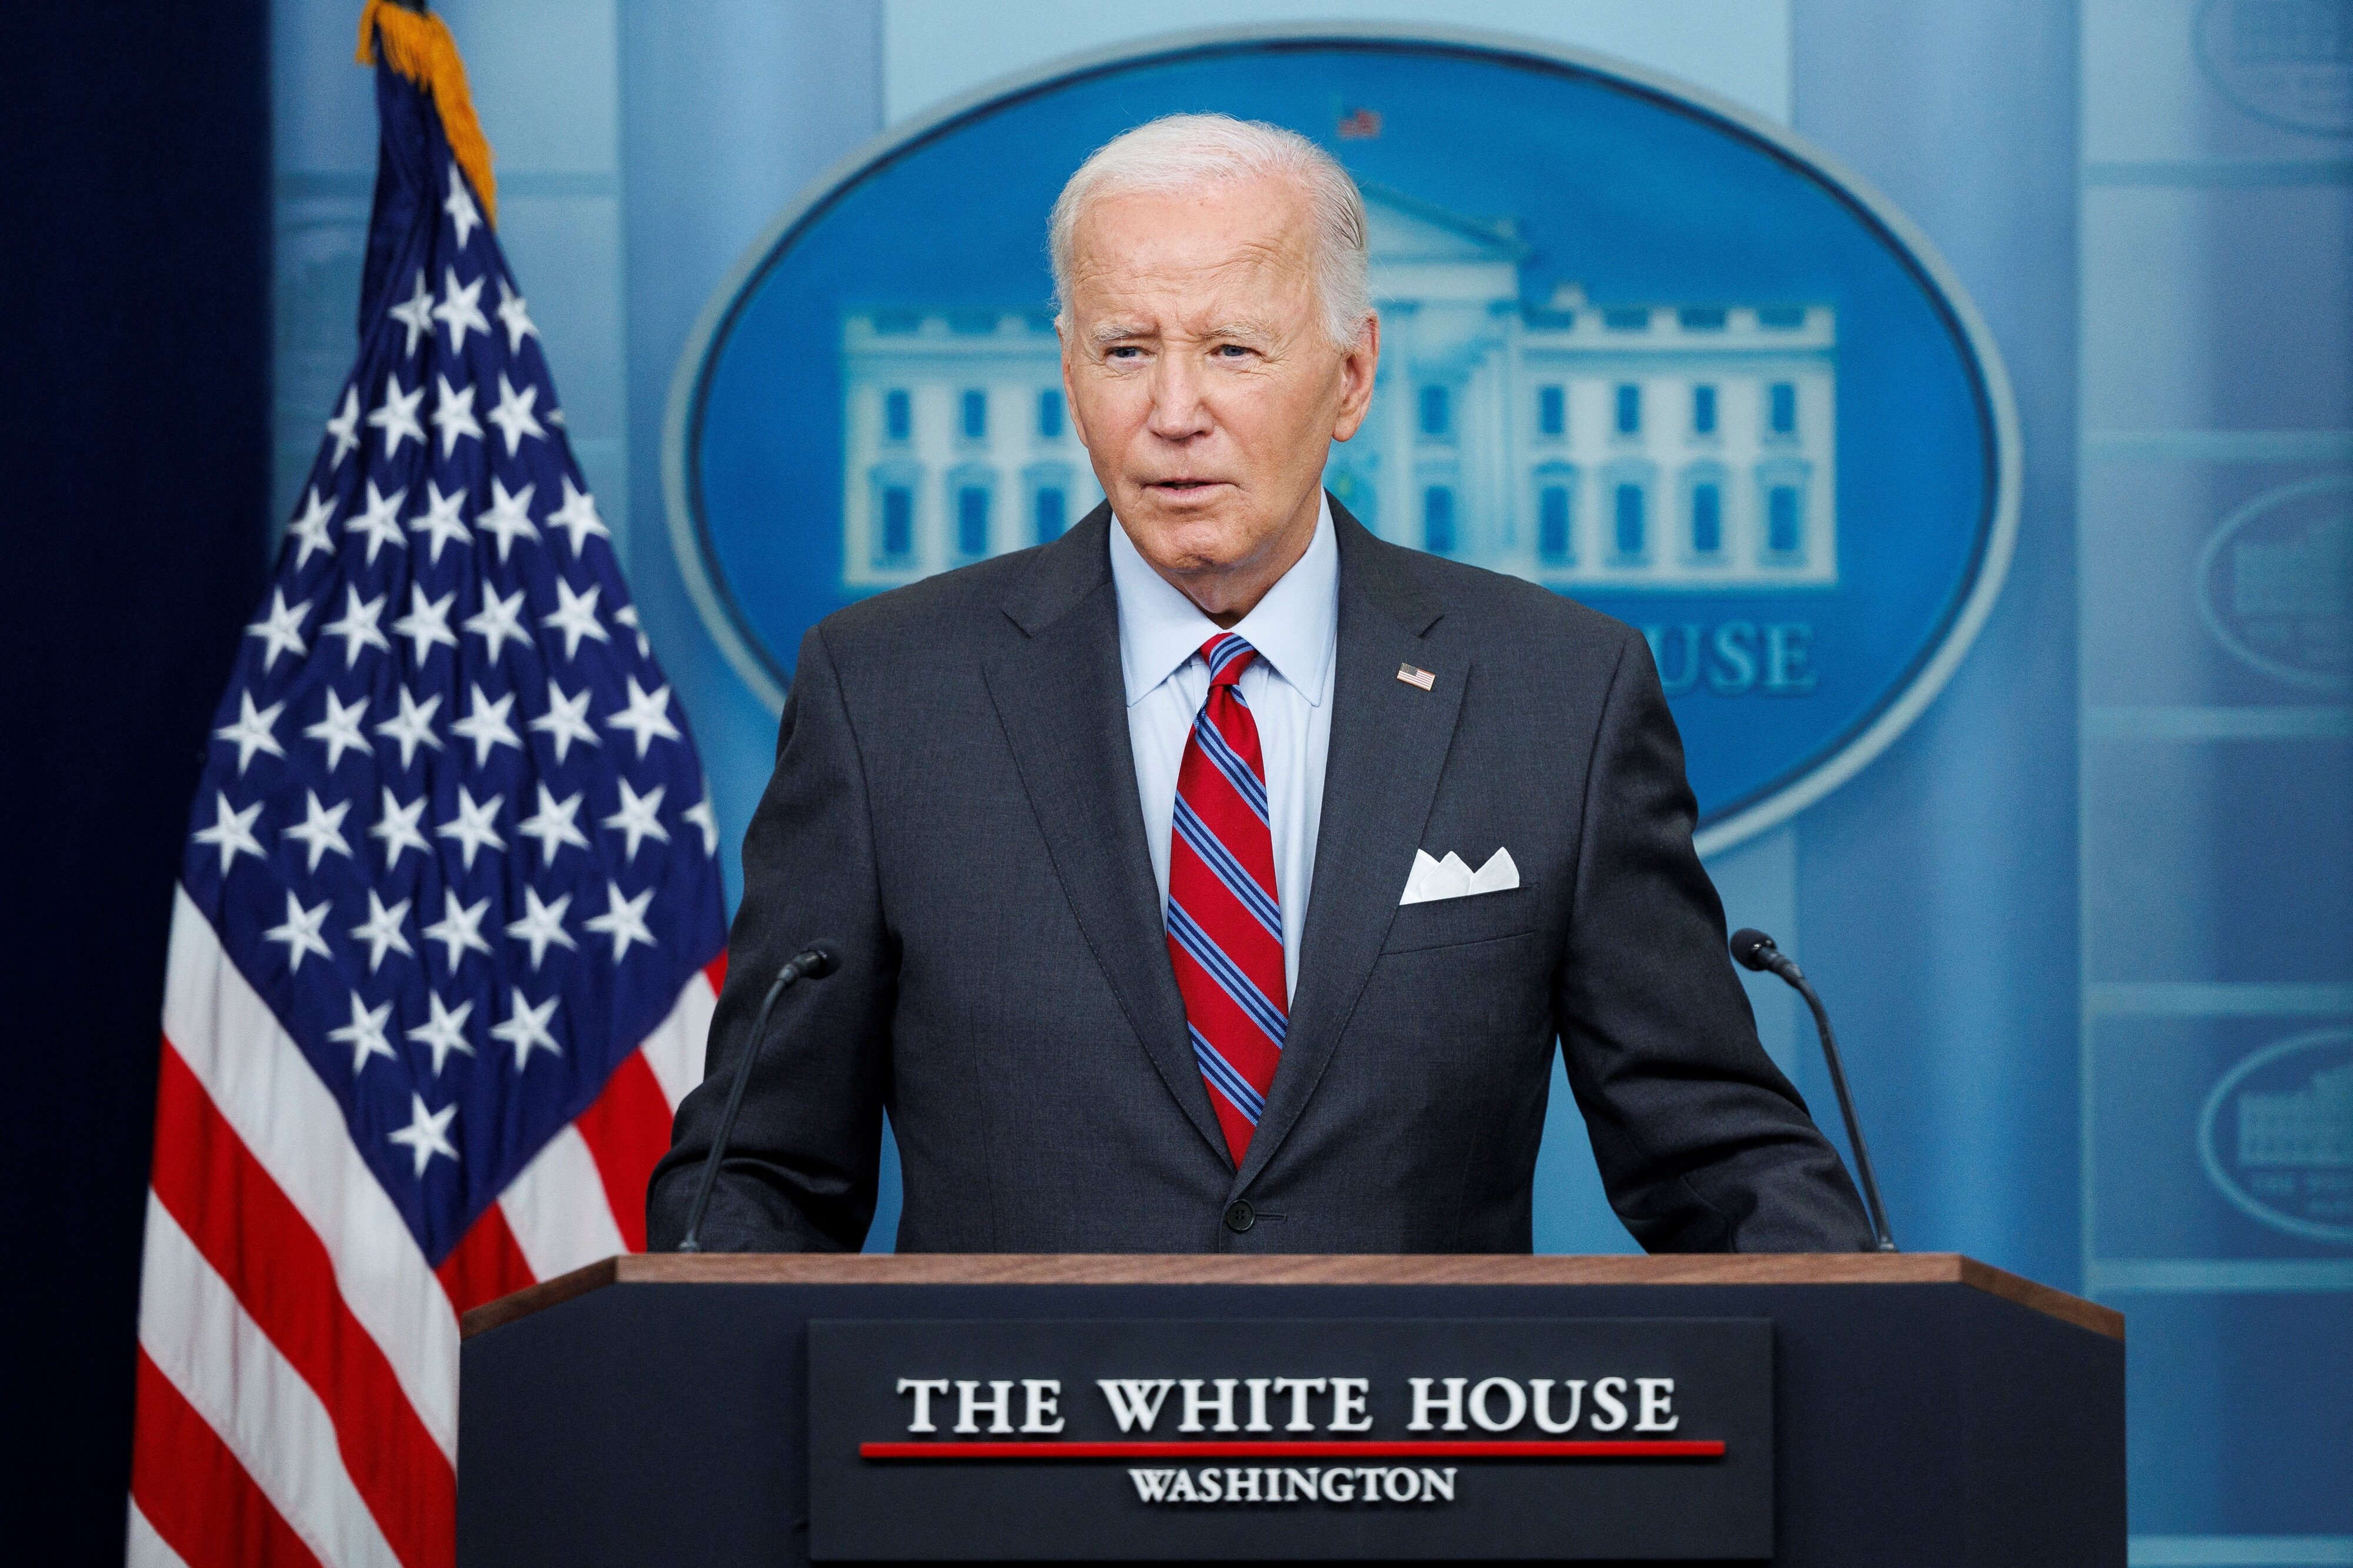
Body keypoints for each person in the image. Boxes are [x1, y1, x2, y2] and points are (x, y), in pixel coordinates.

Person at [646, 114, 1872, 1255]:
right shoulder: (887, 696)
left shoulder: (1556, 691)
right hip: (1007, 1466)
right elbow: (757, 1174)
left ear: (1349, 376)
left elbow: (1711, 1150)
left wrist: (1871, 1354)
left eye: (1232, 349)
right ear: (1071, 378)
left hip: (1427, 1467)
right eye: (1127, 350)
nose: (1175, 412)